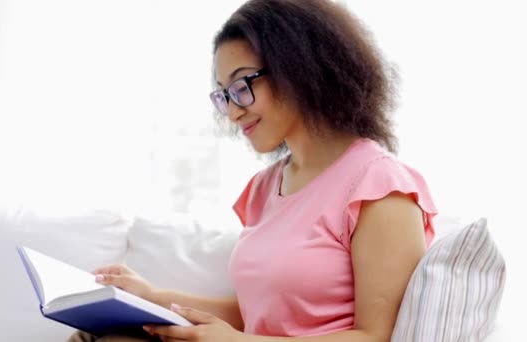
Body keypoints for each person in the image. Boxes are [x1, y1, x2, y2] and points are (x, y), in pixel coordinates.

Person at [70, 0, 437, 341]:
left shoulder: (380, 185)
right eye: (224, 94)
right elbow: (256, 316)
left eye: (242, 85)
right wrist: (154, 297)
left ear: (299, 67)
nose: (233, 111)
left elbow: (376, 338)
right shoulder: (265, 187)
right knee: (99, 331)